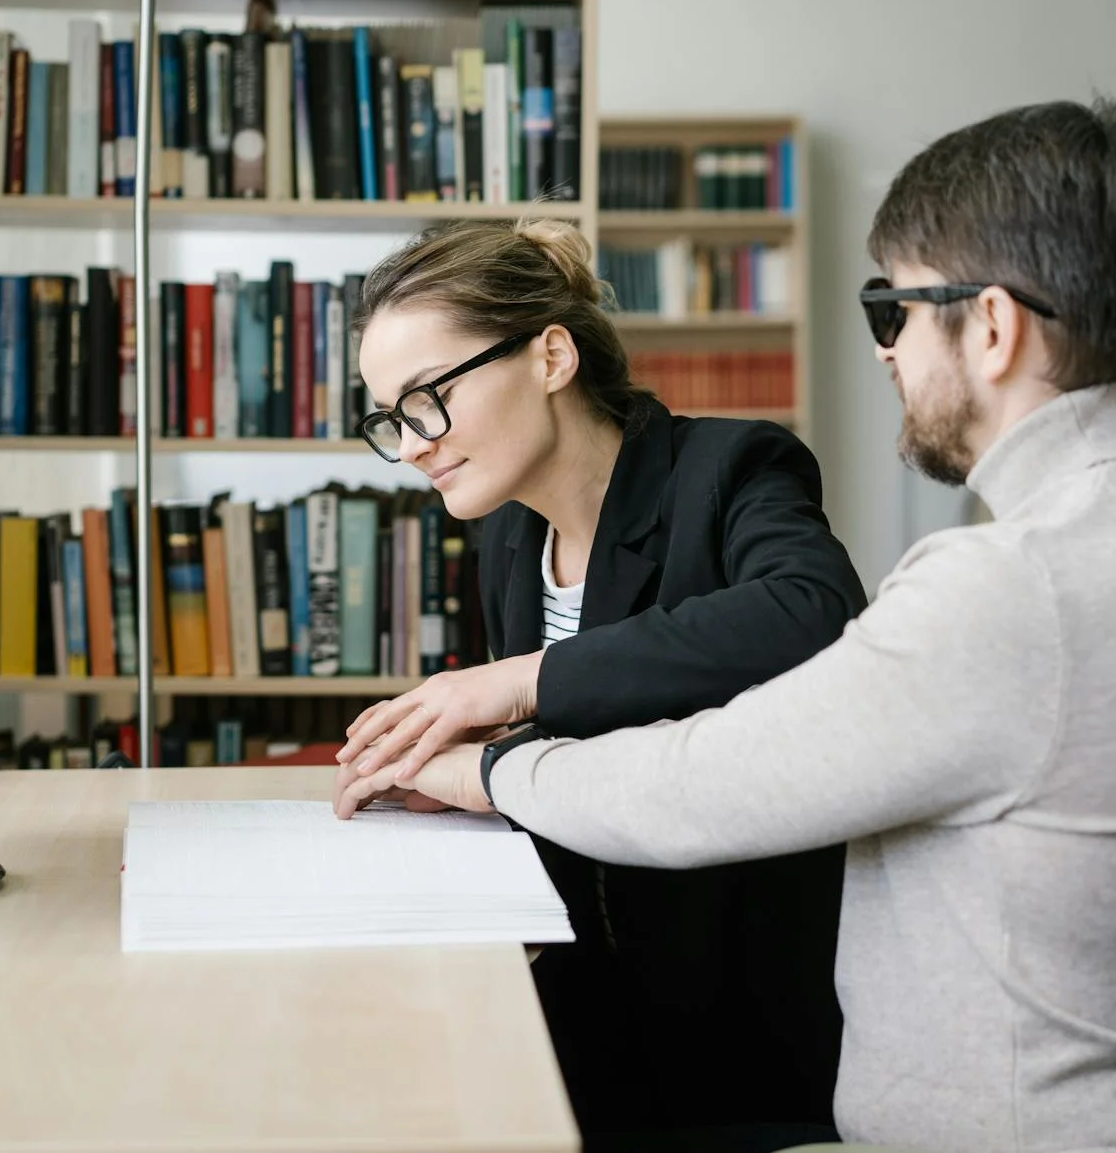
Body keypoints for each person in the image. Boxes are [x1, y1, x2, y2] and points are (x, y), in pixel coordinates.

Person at [340, 99, 1116, 1153]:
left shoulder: (1011, 589)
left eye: (891, 312)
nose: (886, 354)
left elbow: (693, 788)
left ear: (989, 326)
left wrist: (487, 764)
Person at [333, 218, 869, 1146]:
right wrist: (470, 778)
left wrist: (519, 682)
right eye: (390, 418)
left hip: (742, 1028)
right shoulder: (507, 530)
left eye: (427, 399)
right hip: (576, 999)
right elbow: (570, 763)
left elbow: (811, 610)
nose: (412, 444)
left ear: (549, 355)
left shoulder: (732, 467)